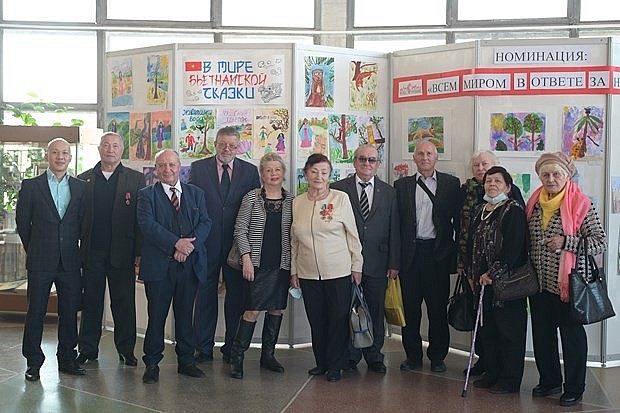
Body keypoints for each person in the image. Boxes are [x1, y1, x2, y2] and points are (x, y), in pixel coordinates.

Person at [526, 152, 606, 407]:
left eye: (556, 174)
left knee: (572, 338)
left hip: (569, 284)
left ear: (567, 175)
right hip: (538, 283)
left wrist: (567, 242)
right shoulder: (534, 201)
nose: (550, 179)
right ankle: (549, 380)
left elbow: (599, 242)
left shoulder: (581, 203)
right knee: (542, 335)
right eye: (545, 174)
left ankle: (574, 387)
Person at [137, 149, 212, 384]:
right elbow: (148, 226)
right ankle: (151, 363)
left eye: (171, 165)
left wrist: (188, 247)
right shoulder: (146, 195)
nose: (167, 169)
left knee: (185, 316)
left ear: (180, 167)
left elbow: (205, 222)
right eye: (161, 165)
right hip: (159, 268)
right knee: (156, 317)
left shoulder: (196, 194)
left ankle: (186, 361)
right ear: (156, 169)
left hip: (188, 267)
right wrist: (175, 245)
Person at [16, 138, 88, 381]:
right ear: (48, 156)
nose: (60, 157)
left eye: (65, 153)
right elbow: (23, 224)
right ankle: (33, 362)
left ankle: (67, 358)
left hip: (69, 259)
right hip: (40, 260)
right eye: (55, 152)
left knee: (69, 312)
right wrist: (35, 248)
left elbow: (82, 224)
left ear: (70, 158)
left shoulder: (80, 187)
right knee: (35, 311)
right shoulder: (31, 186)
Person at [190, 126, 261, 364]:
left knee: (236, 298)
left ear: (238, 147)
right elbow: (192, 206)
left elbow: (253, 210)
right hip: (205, 244)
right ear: (215, 144)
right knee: (205, 296)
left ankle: (232, 346)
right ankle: (203, 347)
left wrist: (248, 248)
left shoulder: (250, 172)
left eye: (232, 145)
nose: (227, 149)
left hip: (236, 246)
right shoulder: (198, 169)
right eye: (222, 144)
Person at [290, 154, 363, 382]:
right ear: (306, 174)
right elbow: (294, 241)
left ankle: (335, 365)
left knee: (338, 318)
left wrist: (357, 265)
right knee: (317, 319)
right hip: (308, 272)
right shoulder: (297, 202)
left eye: (324, 172)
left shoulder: (340, 198)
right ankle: (321, 362)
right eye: (314, 171)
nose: (319, 176)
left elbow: (353, 235)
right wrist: (294, 270)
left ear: (330, 176)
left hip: (339, 271)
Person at [76, 132, 146, 367]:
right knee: (91, 303)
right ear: (99, 149)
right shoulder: (83, 179)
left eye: (115, 145)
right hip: (92, 251)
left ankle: (126, 350)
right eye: (106, 145)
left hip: (122, 253)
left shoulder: (135, 179)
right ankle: (87, 349)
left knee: (124, 303)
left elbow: (140, 219)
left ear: (122, 150)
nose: (110, 149)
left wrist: (138, 252)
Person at [331, 144, 400, 374]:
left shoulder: (389, 192)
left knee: (375, 311)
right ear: (354, 162)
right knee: (347, 310)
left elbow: (394, 229)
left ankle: (374, 356)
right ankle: (350, 355)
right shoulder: (337, 189)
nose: (367, 164)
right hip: (346, 261)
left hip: (378, 262)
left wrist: (394, 263)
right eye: (362, 159)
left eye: (372, 160)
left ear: (378, 164)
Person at [456, 150, 525, 376]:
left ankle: (509, 378)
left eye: (497, 180)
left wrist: (493, 273)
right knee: (488, 329)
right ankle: (491, 372)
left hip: (505, 281)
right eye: (488, 181)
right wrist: (469, 270)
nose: (491, 184)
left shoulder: (512, 208)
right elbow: (468, 239)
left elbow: (513, 248)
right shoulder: (480, 209)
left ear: (507, 187)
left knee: (508, 331)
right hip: (480, 280)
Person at [394, 141, 460, 373]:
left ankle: (438, 356)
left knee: (437, 309)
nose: (424, 157)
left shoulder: (451, 184)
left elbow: (459, 223)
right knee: (410, 309)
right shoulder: (401, 186)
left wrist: (457, 258)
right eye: (420, 153)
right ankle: (412, 356)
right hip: (410, 256)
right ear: (414, 158)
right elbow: (397, 225)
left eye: (429, 153)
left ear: (436, 157)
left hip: (437, 255)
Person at [229, 153, 294, 379]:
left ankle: (268, 355)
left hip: (282, 264)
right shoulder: (252, 198)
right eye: (268, 170)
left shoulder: (292, 201)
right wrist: (246, 258)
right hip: (256, 264)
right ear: (261, 173)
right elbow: (240, 229)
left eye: (277, 170)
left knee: (276, 308)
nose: (273, 174)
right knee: (252, 310)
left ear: (283, 173)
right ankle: (237, 357)